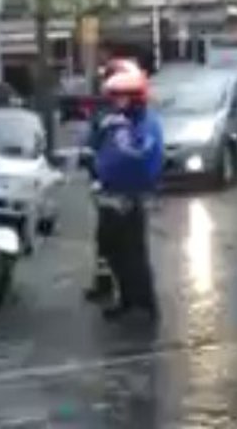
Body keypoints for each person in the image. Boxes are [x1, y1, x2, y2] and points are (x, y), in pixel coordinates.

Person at [91, 63, 164, 321]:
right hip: (111, 193)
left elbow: (139, 155)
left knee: (132, 252)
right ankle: (126, 298)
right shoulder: (119, 121)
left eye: (120, 97)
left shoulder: (145, 123)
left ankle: (144, 303)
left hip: (131, 196)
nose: (115, 102)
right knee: (113, 249)